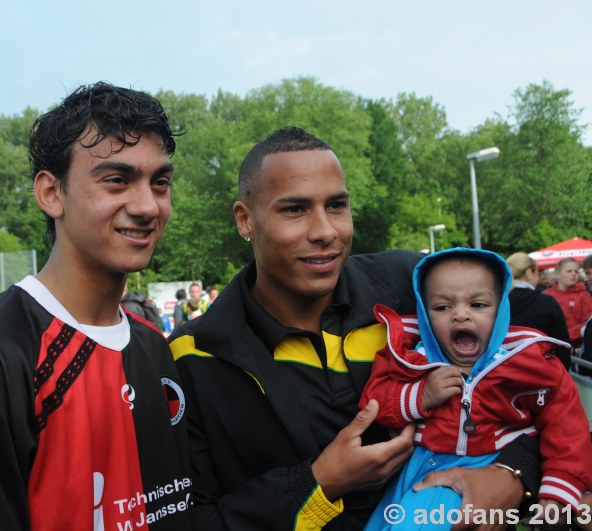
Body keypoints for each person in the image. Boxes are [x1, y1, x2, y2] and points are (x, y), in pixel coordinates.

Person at [169, 127, 540, 530]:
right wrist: (319, 484)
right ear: (246, 220)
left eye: (337, 205)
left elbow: (544, 400)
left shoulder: (413, 288)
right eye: (294, 209)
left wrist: (514, 476)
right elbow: (192, 520)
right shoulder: (195, 353)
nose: (325, 231)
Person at [0, 82, 192, 530]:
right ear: (51, 193)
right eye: (117, 179)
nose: (147, 206)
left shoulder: (152, 346)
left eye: (159, 182)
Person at [360, 248, 592, 530]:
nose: (460, 315)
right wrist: (421, 396)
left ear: (501, 310)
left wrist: (559, 486)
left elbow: (567, 425)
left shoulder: (529, 362)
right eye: (442, 307)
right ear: (424, 313)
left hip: (488, 465)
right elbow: (373, 402)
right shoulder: (411, 358)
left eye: (478, 305)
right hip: (413, 468)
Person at [506, 252, 571, 368]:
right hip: (540, 373)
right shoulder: (547, 302)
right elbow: (563, 347)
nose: (539, 276)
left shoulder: (495, 303)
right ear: (529, 272)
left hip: (500, 373)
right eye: (537, 272)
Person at [543, 258, 592, 348]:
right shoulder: (546, 295)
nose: (573, 274)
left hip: (574, 348)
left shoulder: (585, 296)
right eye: (569, 271)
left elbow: (587, 323)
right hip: (548, 346)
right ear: (558, 274)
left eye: (576, 272)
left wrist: (565, 336)